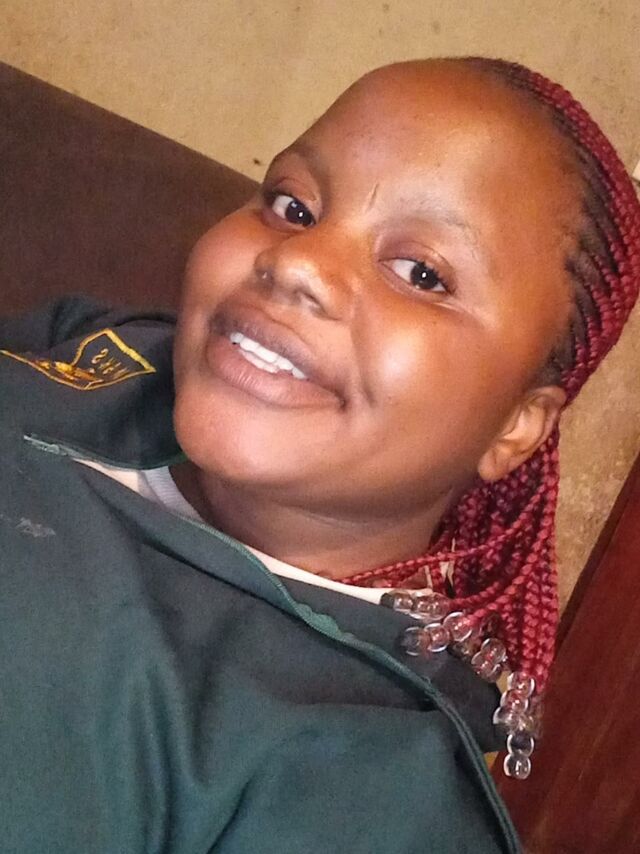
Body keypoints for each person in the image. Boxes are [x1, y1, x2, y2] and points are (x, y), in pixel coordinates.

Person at [0, 57, 638, 853]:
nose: (297, 261)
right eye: (293, 205)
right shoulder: (112, 344)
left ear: (514, 424)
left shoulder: (362, 785)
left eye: (421, 273)